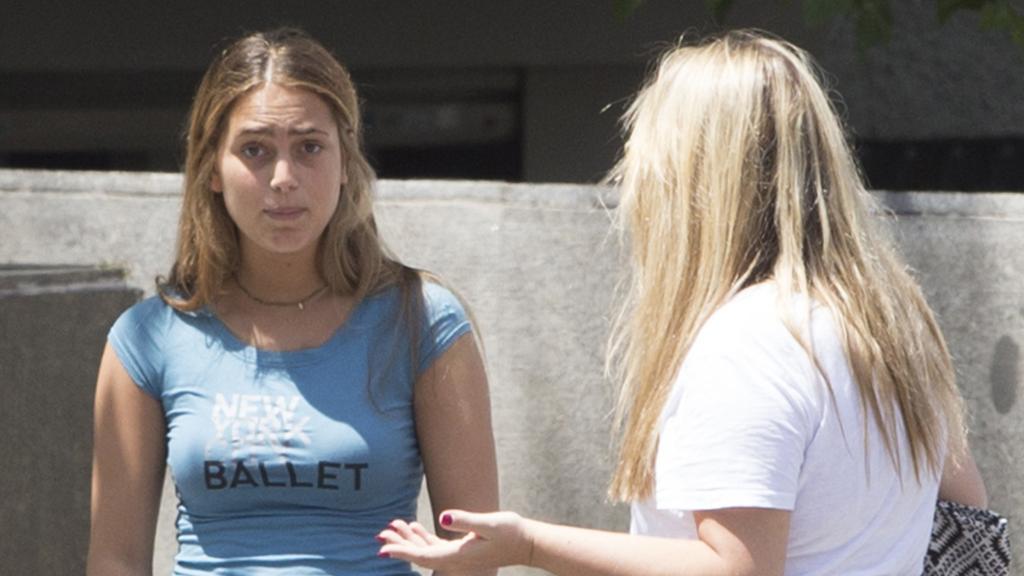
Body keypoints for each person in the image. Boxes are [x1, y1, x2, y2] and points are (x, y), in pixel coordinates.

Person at [377, 30, 988, 575]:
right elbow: (967, 510)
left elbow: (736, 567)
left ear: (694, 181)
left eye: (646, 160)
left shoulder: (752, 344)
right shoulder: (886, 319)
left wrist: (529, 544)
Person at [87, 28, 498, 575]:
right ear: (212, 166)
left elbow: (472, 557)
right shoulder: (146, 340)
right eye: (255, 149)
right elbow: (115, 560)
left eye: (309, 147)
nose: (283, 179)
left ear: (346, 160)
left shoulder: (423, 321)